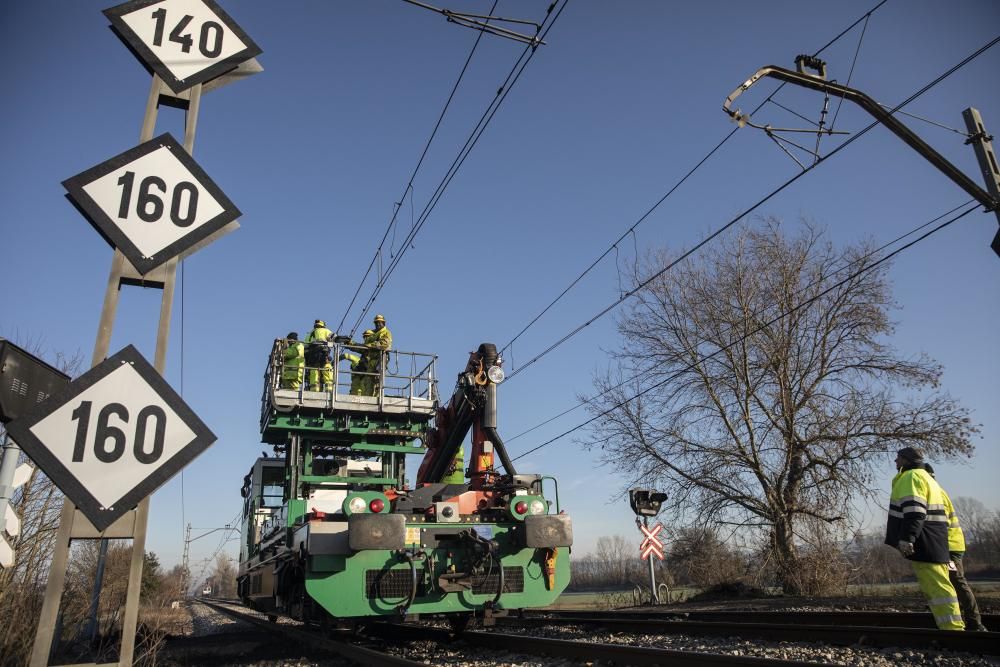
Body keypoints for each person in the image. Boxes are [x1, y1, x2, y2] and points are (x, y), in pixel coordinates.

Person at [884, 447, 964, 631]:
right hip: (934, 539)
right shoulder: (927, 478)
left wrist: (907, 539)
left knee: (937, 588)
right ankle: (951, 627)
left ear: (905, 460)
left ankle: (953, 629)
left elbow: (915, 512)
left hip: (925, 541)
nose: (895, 462)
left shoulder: (911, 477)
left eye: (898, 458)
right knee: (939, 586)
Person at [924, 463, 987, 631]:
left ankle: (975, 623)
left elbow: (939, 525)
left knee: (957, 581)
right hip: (947, 546)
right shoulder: (936, 492)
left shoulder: (935, 494)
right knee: (950, 582)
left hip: (949, 548)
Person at [339, 330, 375, 395]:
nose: (366, 339)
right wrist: (349, 344)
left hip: (368, 375)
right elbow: (359, 348)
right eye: (365, 337)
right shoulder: (365, 350)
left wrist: (350, 343)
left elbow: (360, 348)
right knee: (357, 390)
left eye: (368, 337)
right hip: (361, 374)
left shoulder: (373, 348)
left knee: (366, 392)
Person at [366, 314, 392, 396]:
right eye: (376, 323)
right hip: (372, 360)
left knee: (378, 380)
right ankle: (368, 397)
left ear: (383, 323)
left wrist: (370, 345)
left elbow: (384, 344)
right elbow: (365, 347)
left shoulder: (386, 332)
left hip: (380, 358)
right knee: (369, 382)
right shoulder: (374, 334)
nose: (377, 324)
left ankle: (377, 398)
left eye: (379, 322)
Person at [305, 319, 334, 391]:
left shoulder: (310, 333)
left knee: (314, 370)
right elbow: (334, 338)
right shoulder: (326, 331)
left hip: (313, 355)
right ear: (323, 325)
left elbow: (305, 346)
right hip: (323, 353)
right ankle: (329, 388)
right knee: (326, 367)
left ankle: (314, 389)